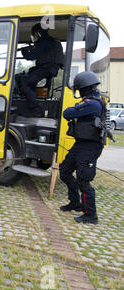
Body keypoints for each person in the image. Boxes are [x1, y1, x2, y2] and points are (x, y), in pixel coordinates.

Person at [59, 71, 106, 225]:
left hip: (90, 146)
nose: (78, 92)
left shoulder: (93, 104)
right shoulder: (89, 101)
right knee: (65, 170)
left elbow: (68, 113)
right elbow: (70, 113)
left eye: (79, 89)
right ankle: (75, 202)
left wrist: (75, 110)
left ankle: (91, 215)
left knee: (83, 180)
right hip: (80, 144)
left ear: (84, 88)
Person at [18, 23, 64, 117]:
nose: (35, 37)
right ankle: (32, 103)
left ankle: (36, 109)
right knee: (31, 72)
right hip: (51, 68)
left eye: (35, 34)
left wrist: (24, 51)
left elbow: (31, 56)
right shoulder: (52, 41)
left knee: (24, 83)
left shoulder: (44, 42)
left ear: (38, 33)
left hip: (47, 68)